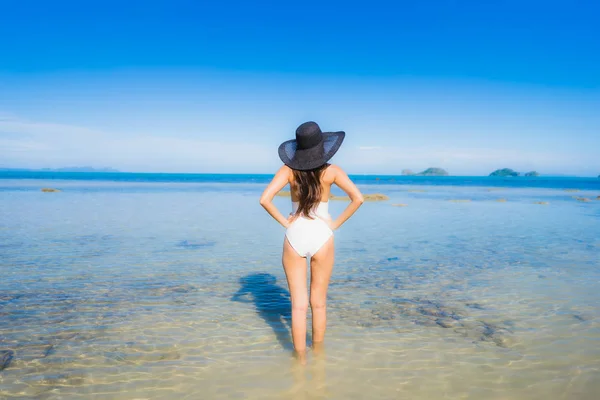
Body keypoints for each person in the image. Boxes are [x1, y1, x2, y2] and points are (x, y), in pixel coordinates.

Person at [259, 121, 364, 358]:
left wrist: (286, 222)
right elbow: (358, 198)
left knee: (297, 306)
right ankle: (318, 359)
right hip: (322, 235)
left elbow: (265, 199)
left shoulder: (288, 171)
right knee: (318, 303)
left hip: (295, 234)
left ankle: (300, 362)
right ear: (322, 147)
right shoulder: (332, 171)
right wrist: (335, 223)